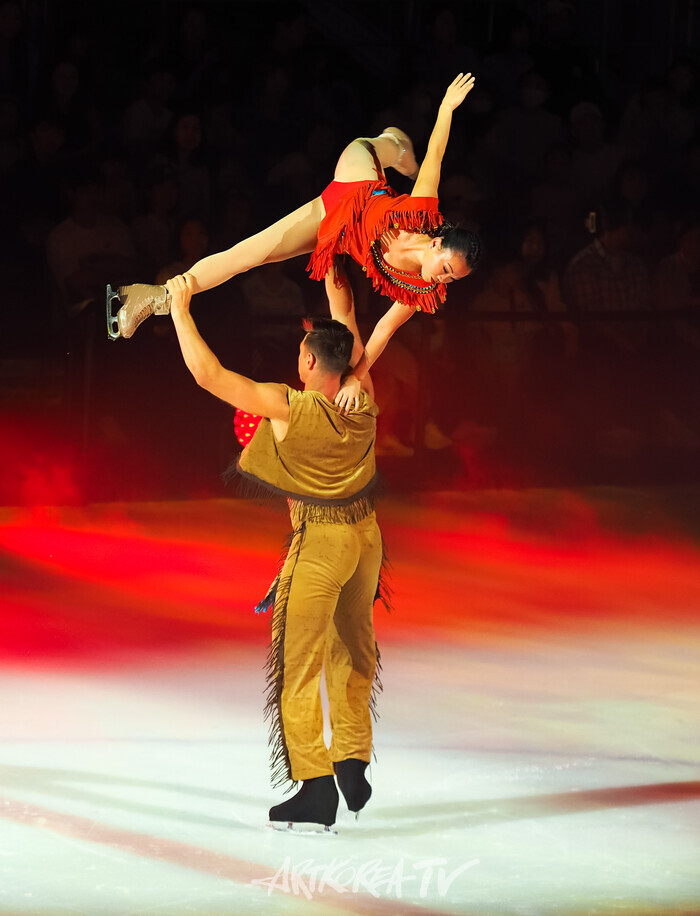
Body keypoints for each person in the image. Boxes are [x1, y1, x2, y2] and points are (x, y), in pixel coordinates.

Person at [167, 261, 383, 831]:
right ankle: (352, 759)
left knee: (301, 660)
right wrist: (338, 275)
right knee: (352, 646)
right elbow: (350, 322)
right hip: (367, 539)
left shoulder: (289, 406)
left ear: (309, 361)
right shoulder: (362, 399)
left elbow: (210, 376)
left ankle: (315, 785)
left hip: (320, 543)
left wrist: (182, 312)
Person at [112, 74, 482, 356]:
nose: (443, 281)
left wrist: (354, 376)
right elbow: (437, 152)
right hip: (357, 184)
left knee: (247, 255)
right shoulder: (421, 212)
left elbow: (380, 331)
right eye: (447, 269)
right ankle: (396, 143)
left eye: (452, 281)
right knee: (372, 147)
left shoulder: (418, 290)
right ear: (436, 243)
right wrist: (447, 107)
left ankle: (153, 296)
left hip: (334, 228)